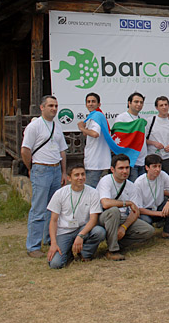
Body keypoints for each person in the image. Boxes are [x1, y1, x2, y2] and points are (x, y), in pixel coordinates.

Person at [22, 95, 68, 258]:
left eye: (56, 106)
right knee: (38, 209)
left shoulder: (57, 126)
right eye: (50, 106)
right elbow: (25, 150)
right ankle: (33, 246)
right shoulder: (34, 126)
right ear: (42, 107)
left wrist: (63, 172)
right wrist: (31, 167)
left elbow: (62, 150)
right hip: (41, 168)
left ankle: (49, 238)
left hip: (56, 169)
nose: (54, 109)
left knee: (53, 208)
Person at [96, 154, 155, 261]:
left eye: (127, 168)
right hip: (105, 217)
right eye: (121, 168)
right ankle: (113, 250)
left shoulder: (131, 186)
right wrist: (126, 203)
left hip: (123, 218)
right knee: (114, 211)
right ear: (112, 169)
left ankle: (117, 243)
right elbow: (105, 203)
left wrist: (124, 227)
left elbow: (135, 211)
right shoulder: (106, 181)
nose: (125, 171)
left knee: (148, 230)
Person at [46, 165, 105, 268]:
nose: (80, 178)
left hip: (82, 229)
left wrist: (80, 235)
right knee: (55, 264)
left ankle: (84, 253)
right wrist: (53, 243)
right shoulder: (60, 193)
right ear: (69, 178)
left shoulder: (93, 193)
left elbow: (93, 219)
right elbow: (53, 221)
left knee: (99, 232)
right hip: (64, 232)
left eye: (83, 174)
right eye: (76, 175)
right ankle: (68, 252)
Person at [134, 154, 169, 238]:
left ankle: (168, 231)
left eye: (159, 166)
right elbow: (139, 209)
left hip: (159, 206)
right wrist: (159, 214)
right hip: (146, 211)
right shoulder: (139, 183)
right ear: (147, 167)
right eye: (154, 166)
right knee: (146, 220)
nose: (158, 169)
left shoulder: (162, 175)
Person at [76, 92, 111, 188]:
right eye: (88, 102)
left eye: (93, 101)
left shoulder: (96, 116)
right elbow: (90, 133)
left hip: (95, 162)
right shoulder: (93, 116)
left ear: (99, 104)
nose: (90, 104)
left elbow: (95, 134)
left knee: (90, 190)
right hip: (95, 160)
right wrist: (85, 129)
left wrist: (81, 128)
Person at [115, 92, 148, 182]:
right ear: (129, 103)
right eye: (136, 102)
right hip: (130, 161)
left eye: (141, 102)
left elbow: (144, 139)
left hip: (143, 160)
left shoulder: (143, 118)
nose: (139, 104)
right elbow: (119, 139)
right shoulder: (121, 118)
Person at [145, 96, 169, 174]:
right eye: (161, 105)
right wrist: (154, 143)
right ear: (156, 108)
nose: (164, 107)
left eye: (166, 105)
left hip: (167, 158)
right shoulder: (150, 121)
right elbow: (143, 140)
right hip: (153, 157)